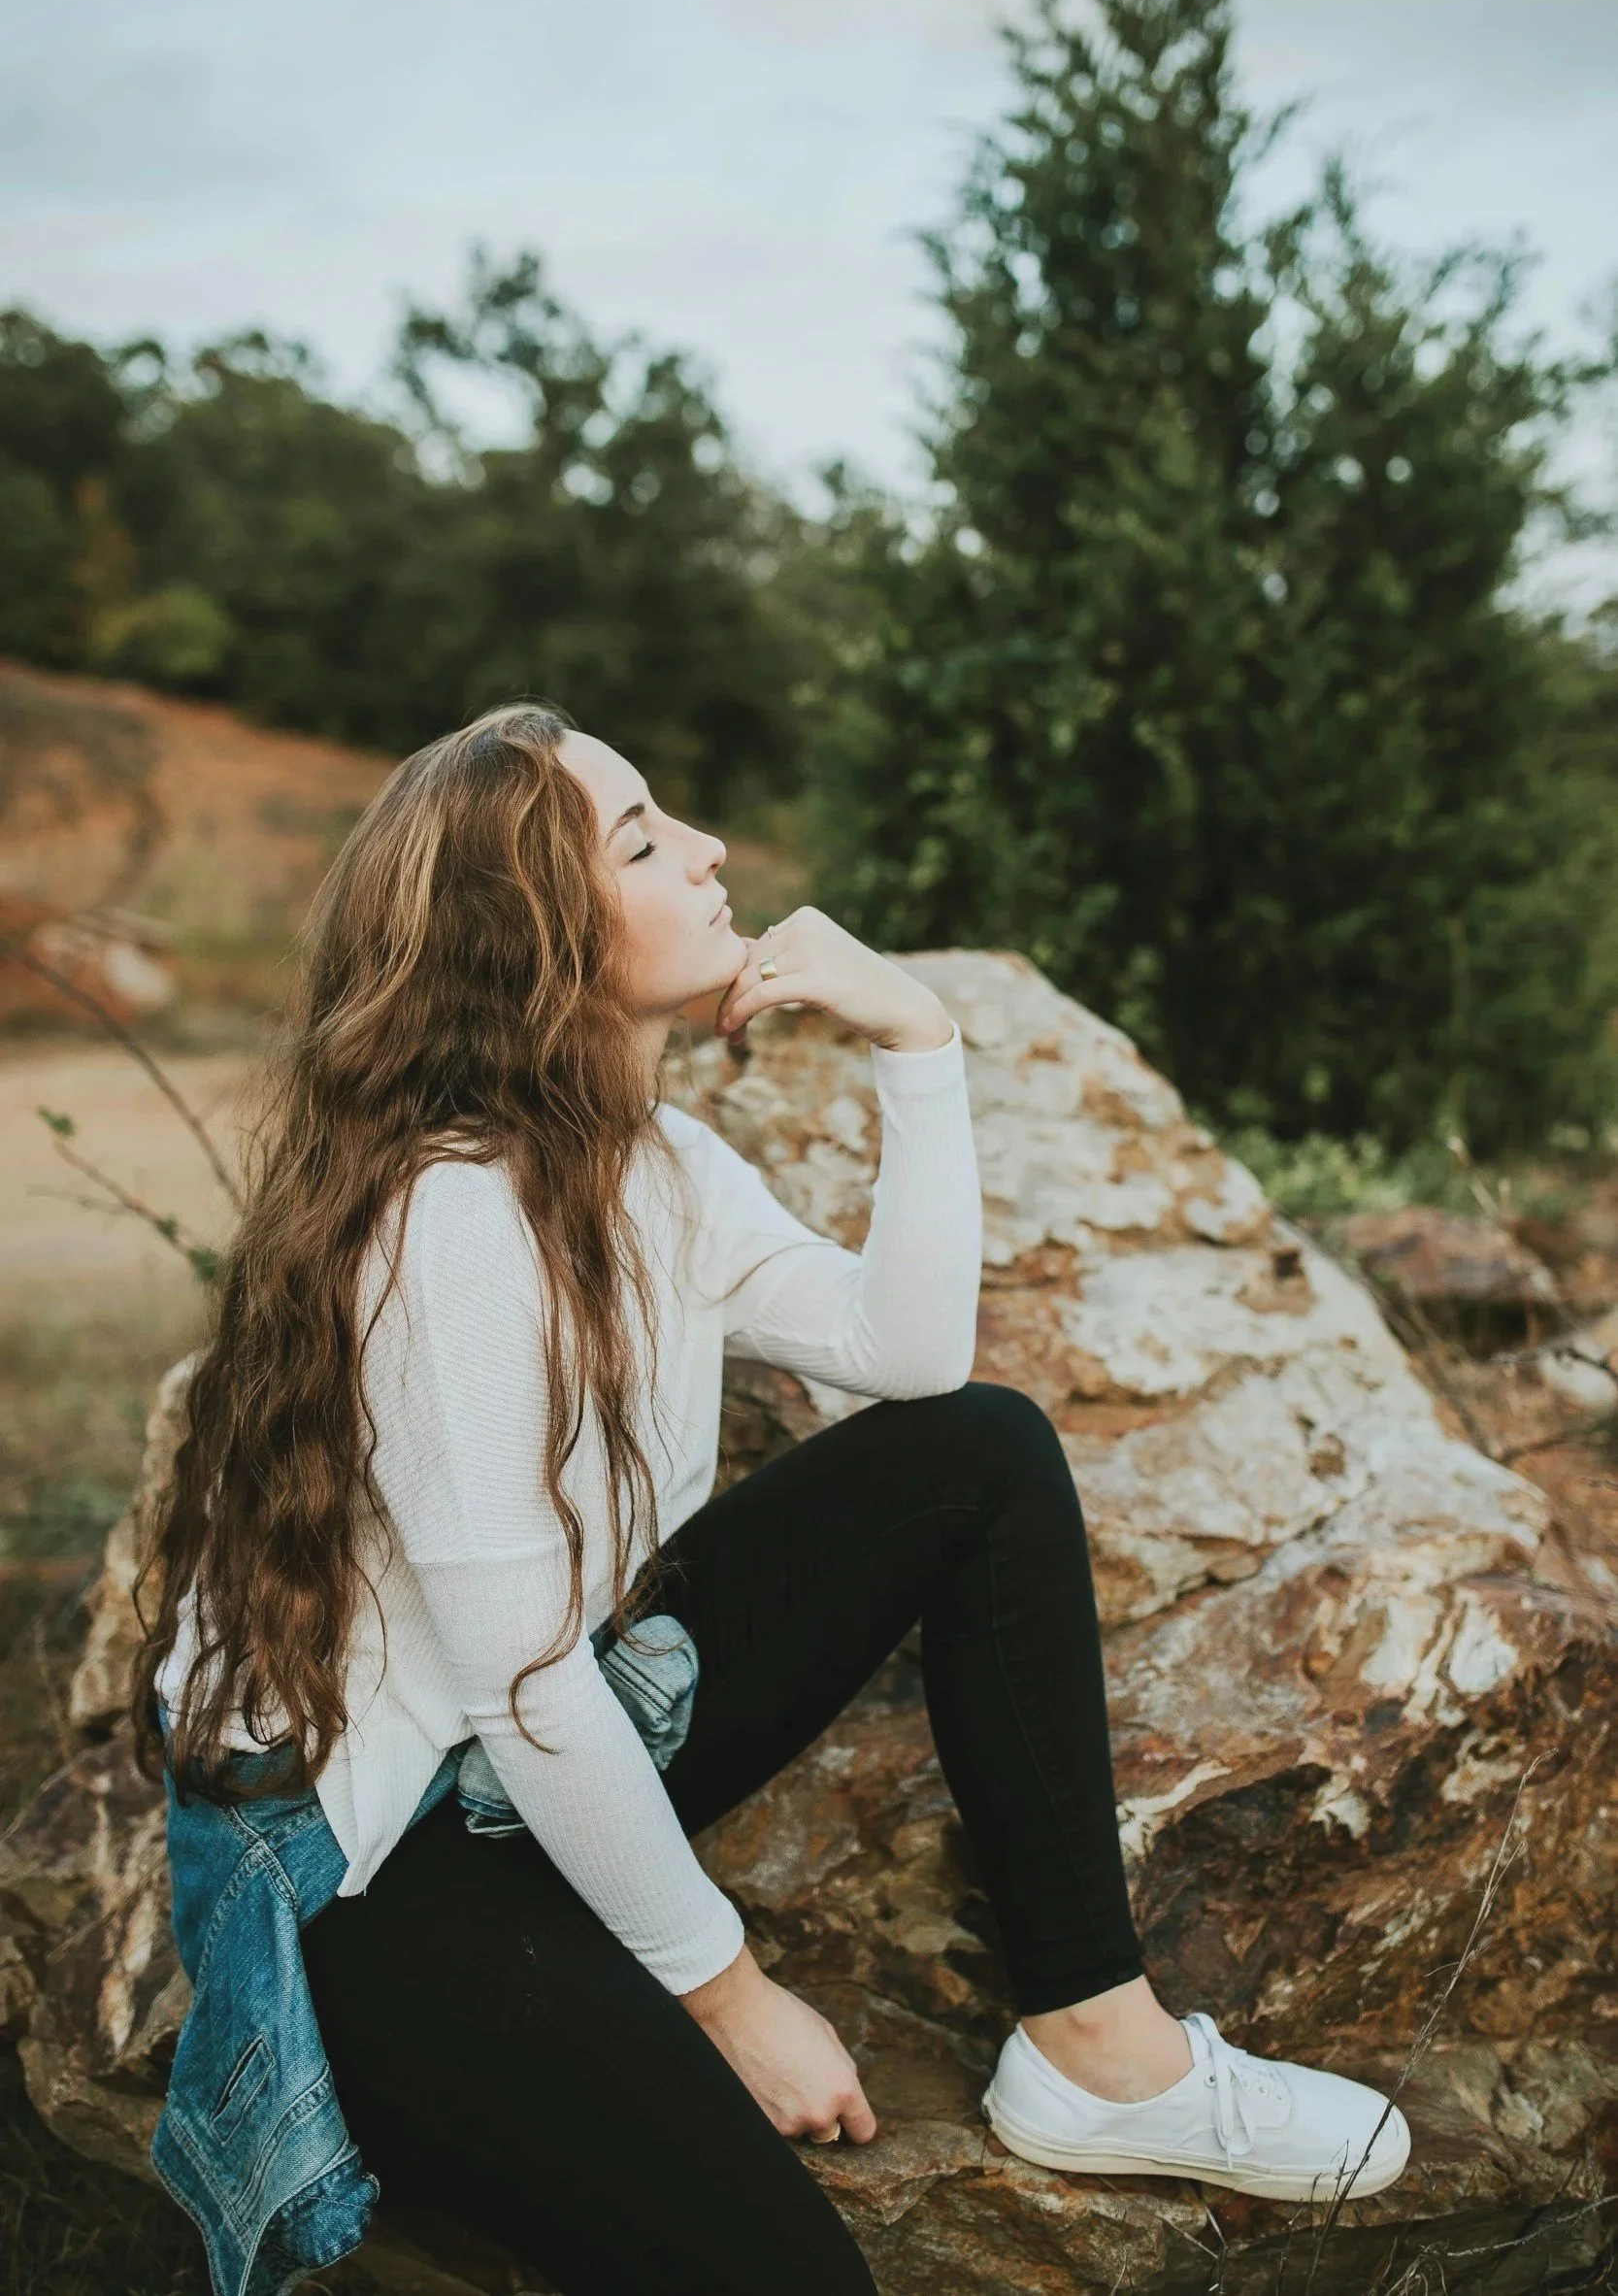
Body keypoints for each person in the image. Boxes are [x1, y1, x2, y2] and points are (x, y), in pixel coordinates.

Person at [134, 703, 1408, 2296]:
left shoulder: (649, 1162)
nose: (714, 853)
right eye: (647, 838)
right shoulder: (445, 1222)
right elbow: (525, 1693)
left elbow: (910, 1355)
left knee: (978, 1456)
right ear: (534, 934)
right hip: (381, 1869)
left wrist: (918, 1044)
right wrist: (728, 1997)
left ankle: (1101, 2055)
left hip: (532, 1748)